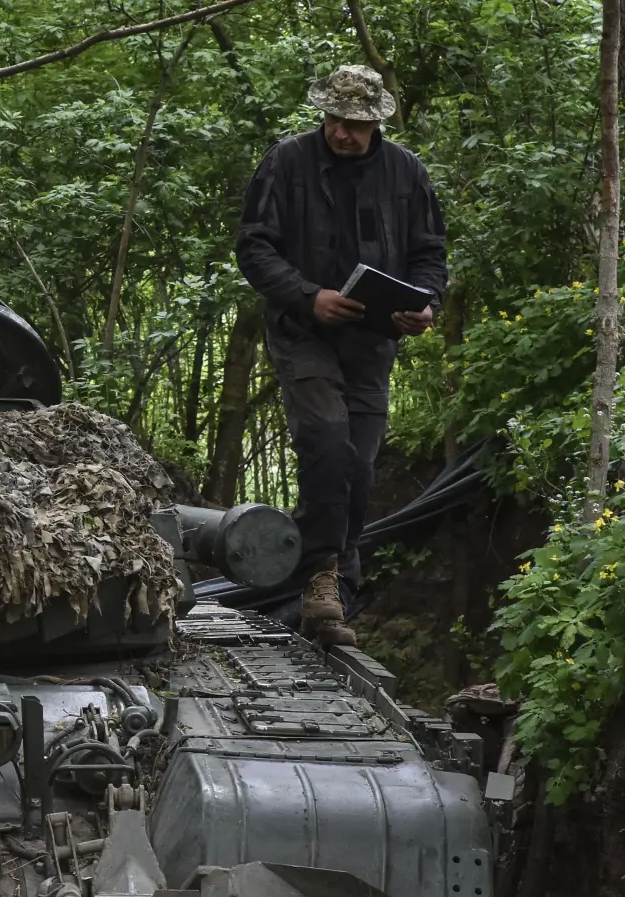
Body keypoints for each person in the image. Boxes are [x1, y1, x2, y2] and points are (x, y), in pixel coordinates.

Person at [234, 64, 447, 647]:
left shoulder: (406, 171)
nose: (341, 133)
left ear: (375, 122)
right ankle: (323, 581)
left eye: (354, 123)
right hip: (303, 331)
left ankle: (329, 583)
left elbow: (430, 253)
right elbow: (253, 246)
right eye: (333, 119)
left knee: (359, 463)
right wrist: (309, 296)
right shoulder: (288, 161)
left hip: (372, 340)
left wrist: (425, 305)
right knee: (326, 443)